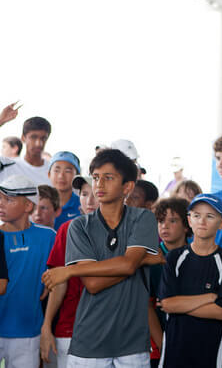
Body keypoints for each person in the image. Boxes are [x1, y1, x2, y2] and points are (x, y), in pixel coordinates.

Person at [41, 149, 161, 367]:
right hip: (89, 341)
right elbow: (93, 283)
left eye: (109, 177)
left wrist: (70, 270)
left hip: (132, 343)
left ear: (127, 187)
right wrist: (140, 260)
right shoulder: (79, 226)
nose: (99, 184)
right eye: (96, 177)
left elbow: (128, 265)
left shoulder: (143, 218)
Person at [158, 193, 222, 368]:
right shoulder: (174, 258)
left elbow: (221, 311)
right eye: (196, 215)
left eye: (209, 216)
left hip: (211, 352)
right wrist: (209, 297)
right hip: (174, 350)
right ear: (189, 220)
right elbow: (168, 305)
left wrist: (181, 305)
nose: (202, 221)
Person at [40, 175, 98, 368]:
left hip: (111, 330)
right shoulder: (67, 229)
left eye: (95, 194)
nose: (89, 201)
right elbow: (58, 283)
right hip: (70, 328)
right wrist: (47, 325)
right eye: (84, 194)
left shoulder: (124, 231)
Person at [0, 175, 56, 368]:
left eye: (9, 199)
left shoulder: (48, 237)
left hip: (28, 331)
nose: (1, 204)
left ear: (28, 206)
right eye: (0, 198)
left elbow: (59, 276)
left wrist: (51, 280)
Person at [148, 197, 191, 367]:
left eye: (172, 221)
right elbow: (146, 306)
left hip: (192, 339)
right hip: (158, 343)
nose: (164, 226)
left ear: (186, 225)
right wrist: (163, 345)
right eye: (160, 221)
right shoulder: (150, 259)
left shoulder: (197, 255)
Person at [48, 151, 82, 231]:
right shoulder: (39, 204)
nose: (61, 176)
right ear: (49, 174)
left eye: (68, 171)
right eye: (56, 170)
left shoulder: (82, 206)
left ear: (77, 176)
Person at [14, 116, 52, 185]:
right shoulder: (9, 166)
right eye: (33, 137)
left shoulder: (53, 172)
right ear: (23, 138)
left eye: (43, 138)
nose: (39, 144)